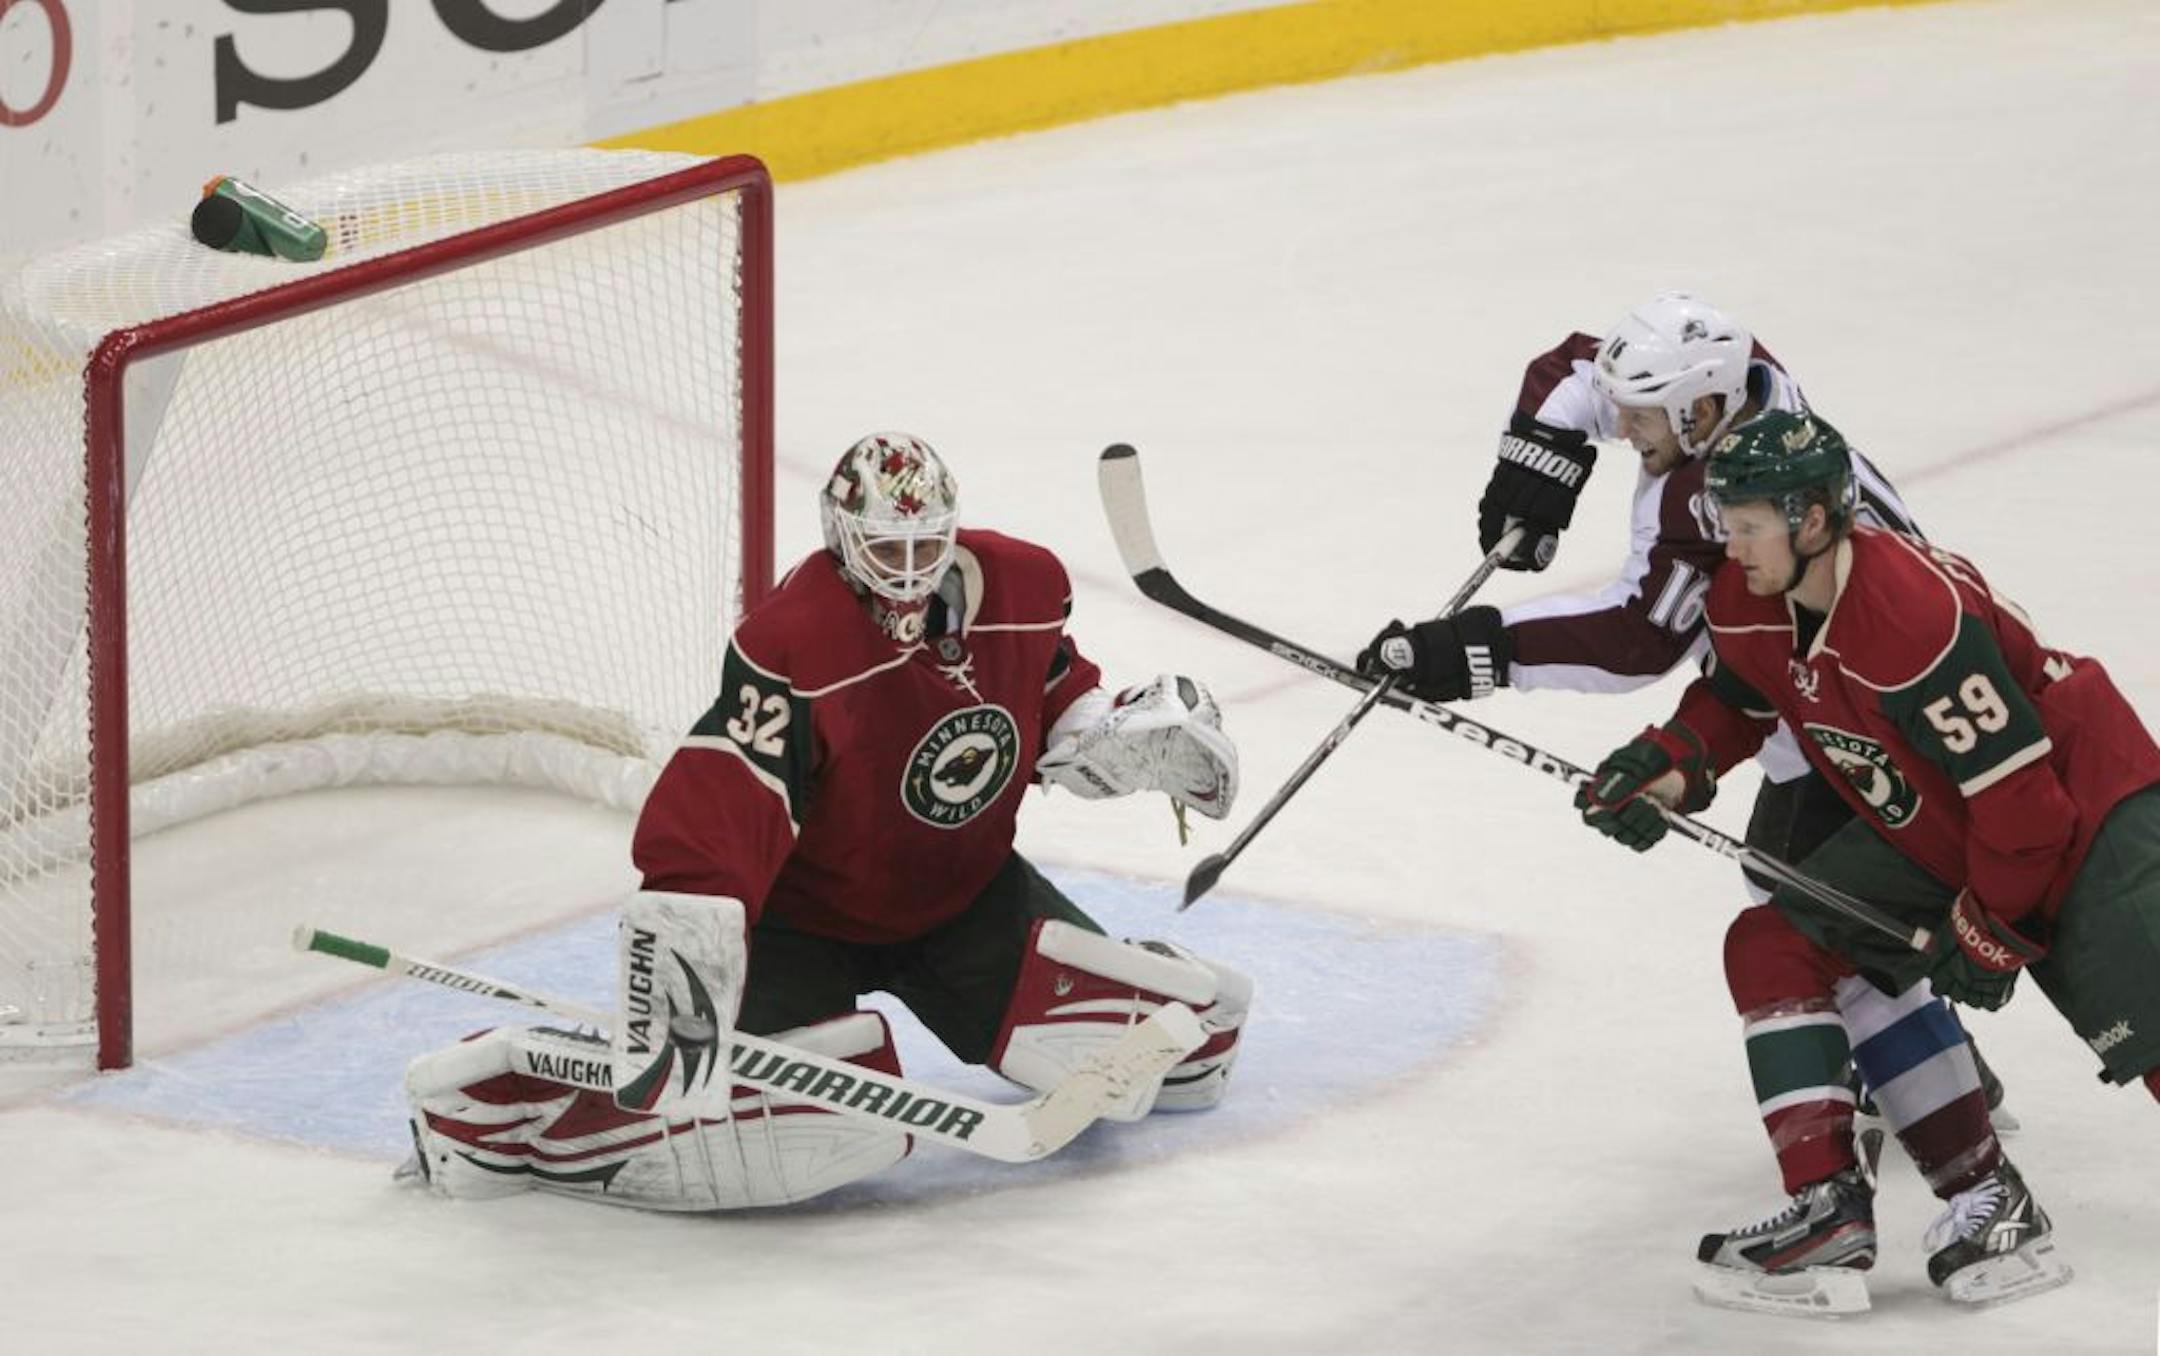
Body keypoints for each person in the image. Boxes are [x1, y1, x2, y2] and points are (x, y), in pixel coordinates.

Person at [1356, 296, 2013, 1306]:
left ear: (1703, 413)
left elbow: (1639, 640)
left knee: (1805, 943)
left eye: (1644, 417)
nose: (1625, 426)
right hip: (1831, 705)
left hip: (1862, 729)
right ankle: (1941, 1097)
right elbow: (1578, 367)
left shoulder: (1714, 500)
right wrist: (1540, 461)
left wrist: (1470, 651)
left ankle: (1905, 1173)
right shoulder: (1748, 390)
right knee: (1817, 929)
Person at [399, 432, 1253, 1210]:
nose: (910, 572)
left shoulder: (1023, 587)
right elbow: (729, 796)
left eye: (926, 546)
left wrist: (1108, 733)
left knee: (1179, 1053)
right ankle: (515, 1108)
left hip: (965, 900)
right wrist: (691, 927)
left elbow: (1052, 685)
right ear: (843, 539)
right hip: (803, 925)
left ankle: (1126, 969)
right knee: (782, 1127)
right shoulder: (795, 644)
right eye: (887, 548)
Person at [1573, 408, 2159, 1305]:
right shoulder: (1750, 595)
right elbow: (1739, 698)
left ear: (1813, 521)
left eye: (1750, 527)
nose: (1732, 547)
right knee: (1780, 944)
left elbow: (2027, 808)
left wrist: (1991, 931)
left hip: (2089, 820)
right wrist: (1670, 765)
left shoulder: (1912, 618)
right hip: (1945, 826)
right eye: (1727, 524)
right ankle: (1864, 1208)